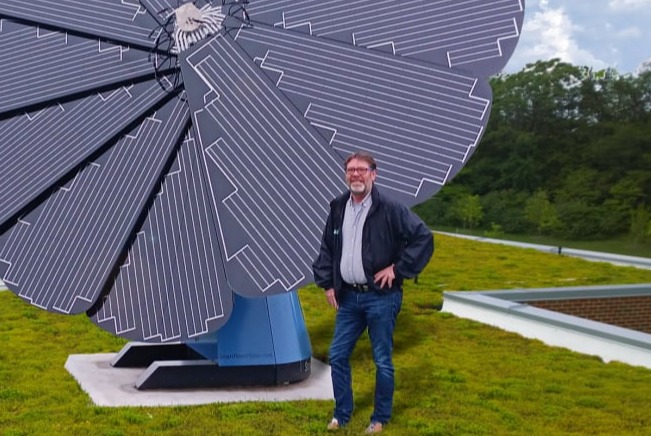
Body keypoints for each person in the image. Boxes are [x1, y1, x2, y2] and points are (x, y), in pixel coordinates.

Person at [313, 151, 434, 433]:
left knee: (382, 359)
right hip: (349, 298)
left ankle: (379, 418)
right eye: (351, 170)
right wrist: (328, 283)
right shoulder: (338, 207)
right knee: (338, 355)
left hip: (381, 297)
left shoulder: (390, 208)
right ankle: (341, 414)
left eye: (362, 170)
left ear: (373, 174)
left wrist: (398, 268)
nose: (356, 175)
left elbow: (422, 237)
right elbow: (327, 249)